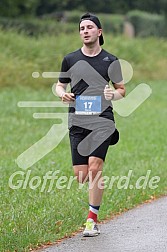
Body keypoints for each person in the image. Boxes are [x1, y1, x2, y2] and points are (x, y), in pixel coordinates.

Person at [56, 13, 125, 237]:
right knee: (82, 175)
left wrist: (112, 94)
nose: (85, 31)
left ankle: (91, 220)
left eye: (89, 27)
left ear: (99, 32)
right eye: (82, 28)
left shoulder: (110, 60)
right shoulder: (70, 59)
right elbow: (59, 85)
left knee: (95, 167)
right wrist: (62, 95)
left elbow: (121, 90)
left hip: (102, 120)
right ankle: (92, 209)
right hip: (78, 120)